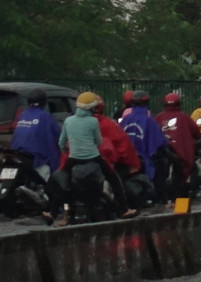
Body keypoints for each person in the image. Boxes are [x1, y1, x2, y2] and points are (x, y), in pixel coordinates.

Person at [53, 92, 113, 225]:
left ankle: (59, 214)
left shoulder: (68, 121)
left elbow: (61, 143)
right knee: (113, 177)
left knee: (63, 183)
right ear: (92, 107)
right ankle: (124, 209)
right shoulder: (93, 121)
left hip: (73, 159)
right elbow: (98, 141)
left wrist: (68, 152)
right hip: (93, 158)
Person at [119, 90, 168, 205]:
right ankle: (165, 200)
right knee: (160, 166)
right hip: (143, 158)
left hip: (127, 158)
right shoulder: (148, 120)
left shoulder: (125, 120)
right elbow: (159, 141)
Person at [10, 89, 61, 182]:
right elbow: (58, 137)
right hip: (37, 158)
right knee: (48, 185)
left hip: (16, 155)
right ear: (44, 102)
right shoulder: (45, 116)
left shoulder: (23, 115)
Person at [156, 93, 199, 203]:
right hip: (181, 157)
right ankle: (182, 210)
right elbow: (196, 132)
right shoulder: (183, 117)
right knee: (182, 187)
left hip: (163, 155)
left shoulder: (159, 117)